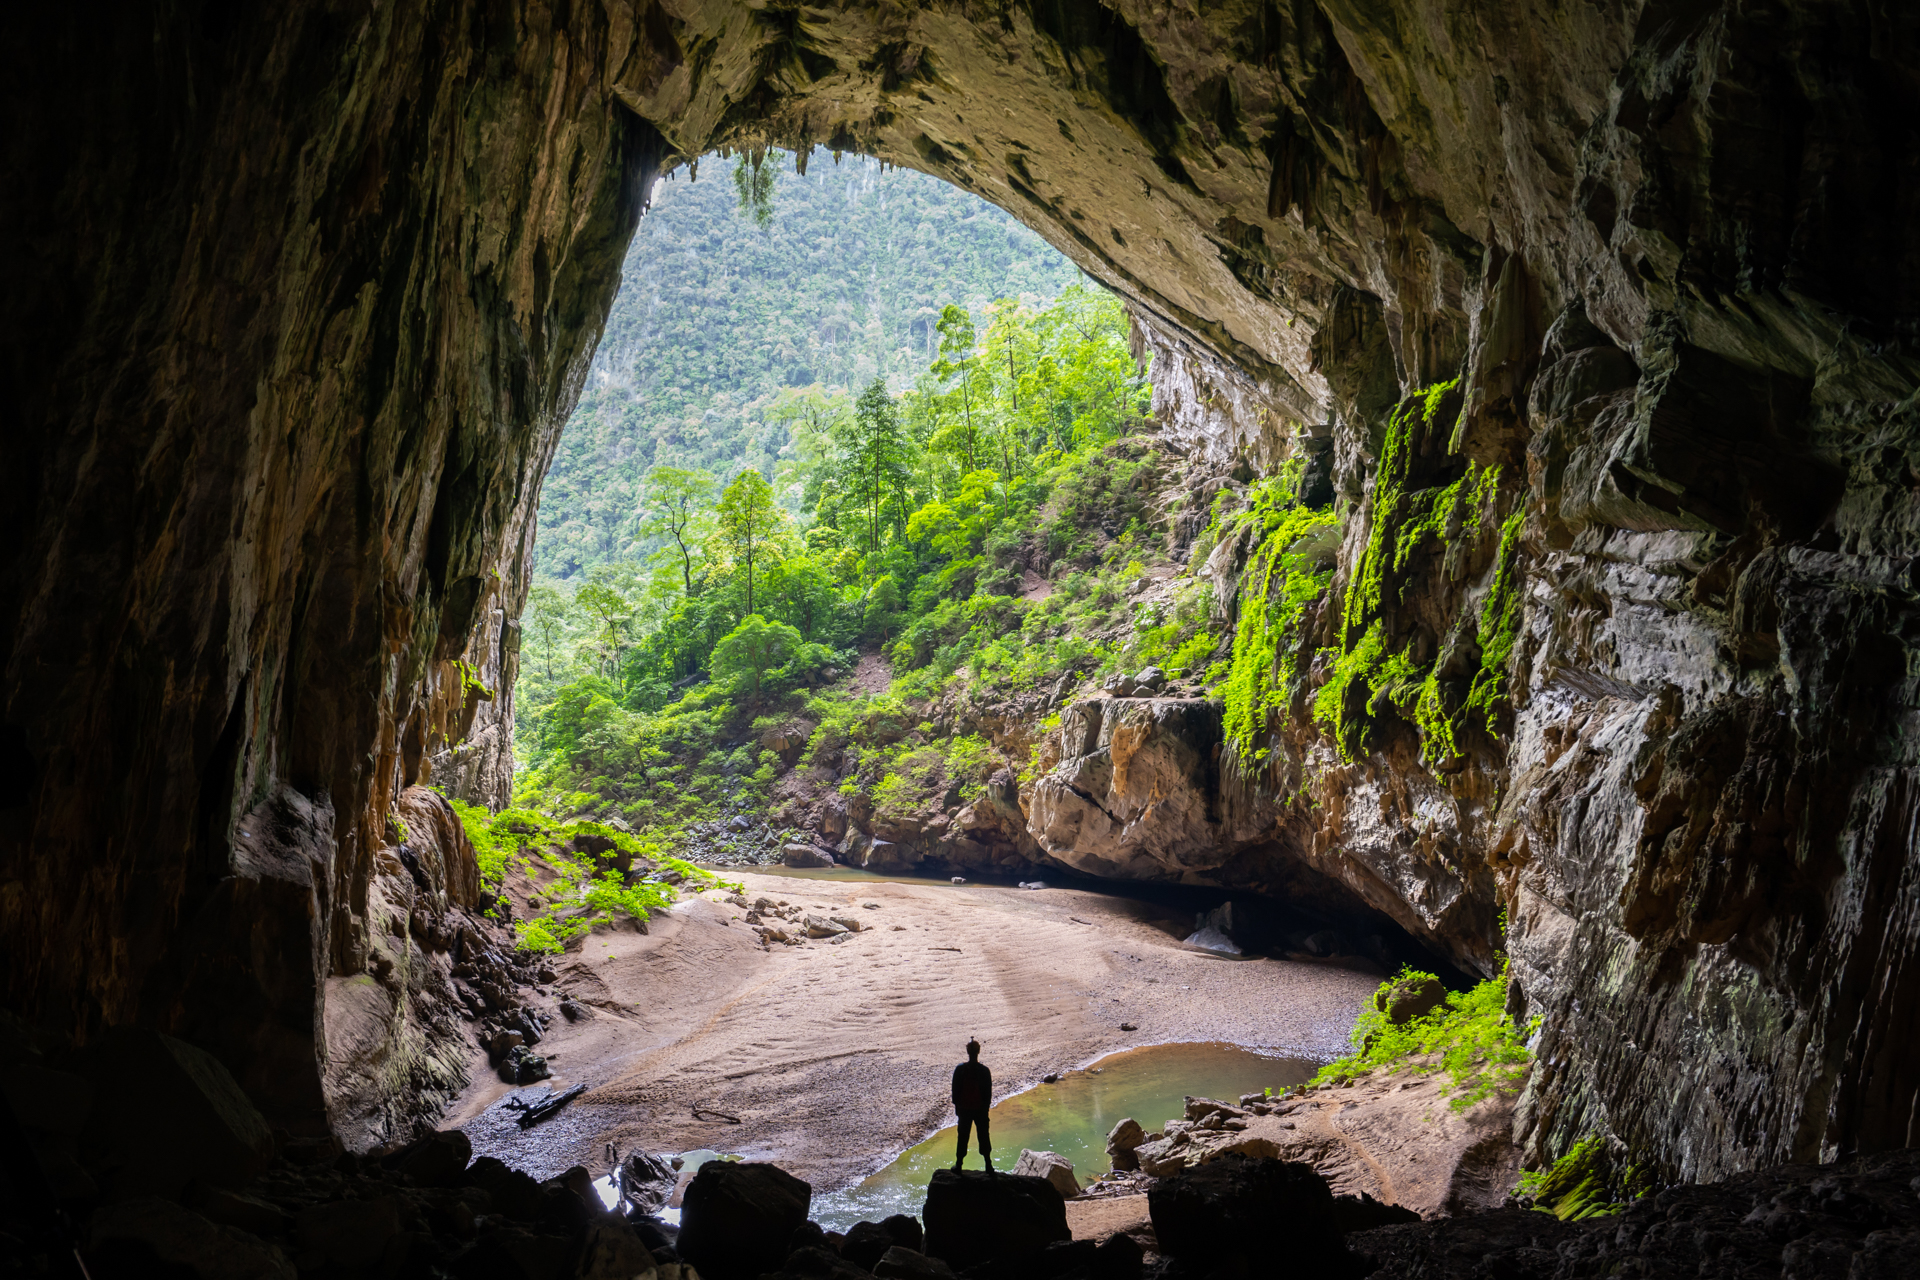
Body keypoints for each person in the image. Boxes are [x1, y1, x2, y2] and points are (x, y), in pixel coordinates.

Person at [951, 1037, 993, 1172]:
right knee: (984, 1136)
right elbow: (988, 1093)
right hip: (980, 1110)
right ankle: (988, 1164)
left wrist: (958, 1108)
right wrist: (985, 1109)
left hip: (964, 1110)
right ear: (978, 1051)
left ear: (967, 1051)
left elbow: (955, 1091)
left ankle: (959, 1164)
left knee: (963, 1137)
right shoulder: (984, 1071)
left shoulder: (960, 1069)